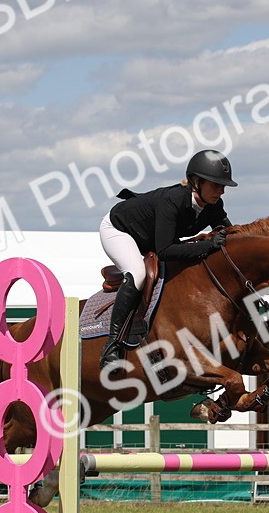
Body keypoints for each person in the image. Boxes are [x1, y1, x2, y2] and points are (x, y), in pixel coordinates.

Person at [98, 149, 236, 367]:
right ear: (196, 182)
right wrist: (208, 245)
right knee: (138, 273)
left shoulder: (214, 205)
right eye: (216, 185)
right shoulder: (172, 201)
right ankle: (112, 345)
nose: (222, 191)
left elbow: (230, 234)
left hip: (151, 236)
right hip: (120, 229)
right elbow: (165, 251)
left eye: (223, 186)